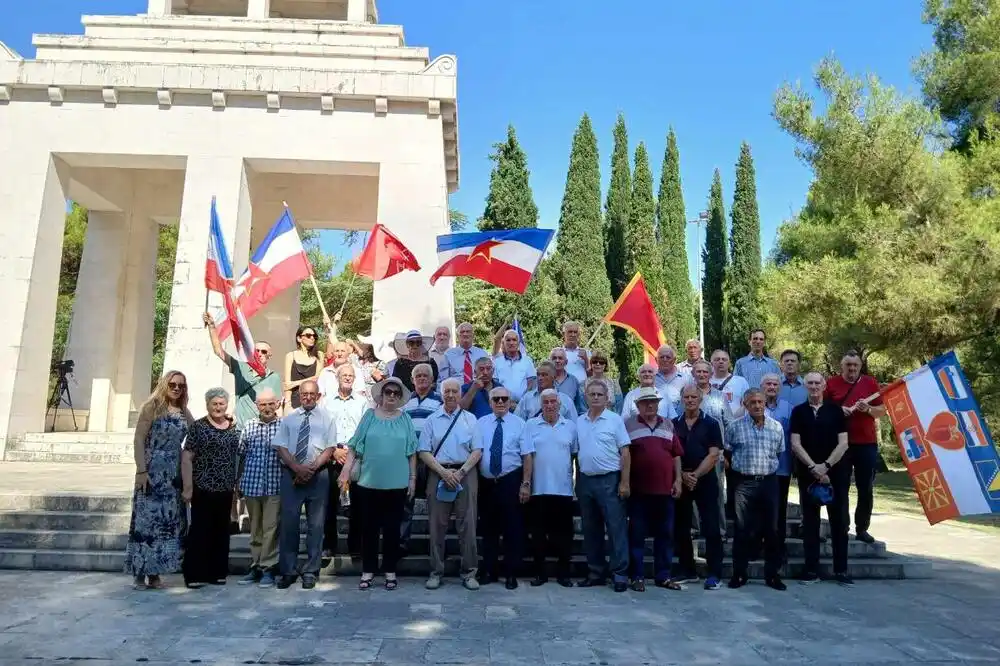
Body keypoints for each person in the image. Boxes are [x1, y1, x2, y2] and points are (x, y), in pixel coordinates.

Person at [339, 377, 419, 591]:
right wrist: (346, 471)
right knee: (369, 529)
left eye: (395, 393)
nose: (391, 395)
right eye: (388, 392)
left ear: (400, 397)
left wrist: (412, 478)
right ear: (381, 395)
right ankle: (368, 570)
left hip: (397, 482)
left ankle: (390, 570)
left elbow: (411, 451)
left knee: (393, 529)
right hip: (368, 482)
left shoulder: (405, 419)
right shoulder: (369, 416)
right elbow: (354, 445)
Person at [124, 371, 194, 590]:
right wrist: (141, 470)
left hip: (173, 475)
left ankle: (155, 573)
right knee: (146, 524)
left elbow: (196, 435)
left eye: (181, 386)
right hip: (152, 472)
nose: (176, 388)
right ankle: (139, 572)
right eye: (172, 384)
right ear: (165, 384)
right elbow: (138, 439)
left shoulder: (184, 411)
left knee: (166, 526)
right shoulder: (152, 407)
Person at [419, 378, 484, 590]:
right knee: (437, 526)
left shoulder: (471, 419)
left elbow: (477, 450)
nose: (450, 395)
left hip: (466, 473)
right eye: (446, 391)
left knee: (468, 525)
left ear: (460, 394)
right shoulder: (432, 419)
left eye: (455, 391)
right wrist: (443, 472)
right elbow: (424, 451)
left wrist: (462, 471)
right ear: (441, 393)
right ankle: (436, 572)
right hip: (438, 472)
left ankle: (469, 572)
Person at [272, 380, 336, 590]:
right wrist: (296, 468)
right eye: (304, 394)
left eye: (312, 394)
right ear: (299, 395)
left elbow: (330, 448)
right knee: (289, 524)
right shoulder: (289, 419)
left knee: (316, 526)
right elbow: (281, 446)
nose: (308, 397)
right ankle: (288, 570)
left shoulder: (327, 418)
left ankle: (310, 571)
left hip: (318, 475)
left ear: (318, 396)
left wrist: (311, 468)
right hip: (291, 475)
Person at [790, 372, 853, 585]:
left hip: (836, 474)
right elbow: (795, 444)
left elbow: (843, 443)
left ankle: (841, 570)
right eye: (810, 383)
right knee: (810, 523)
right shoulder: (798, 412)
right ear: (805, 386)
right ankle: (811, 570)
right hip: (809, 475)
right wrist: (813, 467)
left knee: (839, 522)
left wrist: (826, 466)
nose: (814, 387)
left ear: (824, 385)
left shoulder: (835, 411)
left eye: (818, 383)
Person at [725, 388, 787, 591]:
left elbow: (778, 452)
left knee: (772, 529)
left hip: (769, 482)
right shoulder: (734, 427)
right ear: (745, 405)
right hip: (744, 483)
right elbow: (727, 452)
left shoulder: (776, 427)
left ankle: (772, 575)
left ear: (765, 403)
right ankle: (739, 574)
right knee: (742, 529)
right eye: (752, 402)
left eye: (760, 402)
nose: (757, 406)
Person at [623, 387, 683, 592]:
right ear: (637, 405)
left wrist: (678, 481)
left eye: (653, 402)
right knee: (636, 535)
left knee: (665, 535)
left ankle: (663, 576)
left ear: (658, 404)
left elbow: (676, 455)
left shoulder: (668, 425)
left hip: (665, 491)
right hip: (638, 491)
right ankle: (636, 576)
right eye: (645, 402)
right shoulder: (628, 425)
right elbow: (623, 455)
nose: (650, 405)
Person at [181, 387, 240, 588]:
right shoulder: (198, 427)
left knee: (221, 532)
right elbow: (187, 457)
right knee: (200, 532)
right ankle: (195, 574)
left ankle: (217, 572)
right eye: (214, 404)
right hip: (202, 487)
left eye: (221, 404)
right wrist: (187, 487)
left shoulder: (233, 428)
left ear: (227, 405)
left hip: (224, 489)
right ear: (207, 405)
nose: (218, 407)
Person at [576, 378, 631, 592]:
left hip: (610, 479)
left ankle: (620, 574)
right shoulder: (580, 421)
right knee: (591, 529)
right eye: (592, 394)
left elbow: (625, 452)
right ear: (586, 397)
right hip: (586, 480)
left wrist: (625, 482)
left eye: (600, 394)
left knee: (616, 528)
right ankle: (596, 572)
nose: (596, 397)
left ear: (607, 398)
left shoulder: (614, 420)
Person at [824, 351, 885, 545]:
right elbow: (822, 409)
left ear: (860, 367)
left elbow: (882, 411)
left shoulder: (870, 383)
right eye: (848, 365)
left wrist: (868, 409)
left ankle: (862, 528)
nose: (852, 369)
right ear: (841, 367)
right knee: (840, 487)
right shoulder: (831, 383)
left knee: (865, 488)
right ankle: (842, 527)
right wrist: (837, 410)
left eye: (855, 365)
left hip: (866, 444)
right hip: (840, 444)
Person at [477, 386, 534, 589]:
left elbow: (527, 455)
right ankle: (489, 570)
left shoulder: (520, 424)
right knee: (488, 529)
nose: (500, 402)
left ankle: (511, 573)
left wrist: (525, 484)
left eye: (504, 399)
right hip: (486, 483)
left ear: (510, 402)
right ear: (490, 402)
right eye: (496, 399)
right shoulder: (481, 423)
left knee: (513, 529)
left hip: (510, 480)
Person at [672, 384, 724, 590]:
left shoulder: (711, 423)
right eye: (687, 397)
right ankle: (688, 570)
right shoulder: (674, 424)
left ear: (700, 399)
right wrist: (683, 475)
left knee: (711, 527)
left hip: (705, 479)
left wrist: (695, 475)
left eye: (694, 397)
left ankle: (714, 573)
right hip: (681, 479)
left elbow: (714, 454)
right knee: (682, 527)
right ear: (682, 399)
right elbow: (672, 452)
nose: (690, 400)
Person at [525, 389, 578, 587]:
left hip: (563, 490)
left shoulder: (570, 427)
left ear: (559, 404)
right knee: (538, 534)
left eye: (553, 401)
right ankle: (540, 573)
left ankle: (564, 574)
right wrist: (527, 483)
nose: (549, 405)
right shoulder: (531, 425)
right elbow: (527, 456)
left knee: (564, 535)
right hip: (538, 489)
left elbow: (574, 456)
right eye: (545, 402)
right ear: (541, 404)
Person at [319, 364, 369, 560]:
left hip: (355, 456)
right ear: (337, 378)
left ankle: (355, 546)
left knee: (358, 503)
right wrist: (334, 451)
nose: (347, 378)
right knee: (328, 503)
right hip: (333, 454)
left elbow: (366, 431)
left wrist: (352, 452)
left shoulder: (363, 402)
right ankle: (328, 545)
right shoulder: (326, 402)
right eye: (344, 375)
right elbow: (321, 431)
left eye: (351, 375)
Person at [236, 388, 283, 588]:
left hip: (275, 484)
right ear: (257, 406)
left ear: (278, 404)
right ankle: (256, 565)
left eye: (271, 403)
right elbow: (241, 453)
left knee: (271, 528)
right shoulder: (249, 425)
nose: (267, 408)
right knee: (255, 528)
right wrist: (237, 481)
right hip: (252, 484)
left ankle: (268, 568)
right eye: (263, 404)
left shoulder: (284, 425)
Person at [202, 311, 282, 425]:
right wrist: (212, 327)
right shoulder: (241, 367)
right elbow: (219, 352)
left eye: (263, 352)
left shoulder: (274, 377)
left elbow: (278, 405)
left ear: (270, 355)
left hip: (262, 427)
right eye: (256, 350)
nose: (259, 354)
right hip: (240, 427)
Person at [399, 363, 443, 555]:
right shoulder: (405, 402)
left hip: (431, 458)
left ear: (432, 380)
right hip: (409, 459)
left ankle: (437, 546)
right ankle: (401, 543)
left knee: (435, 504)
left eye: (426, 376)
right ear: (413, 380)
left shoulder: (440, 402)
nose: (422, 379)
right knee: (405, 502)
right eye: (419, 376)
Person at [691, 359, 731, 537]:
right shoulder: (687, 394)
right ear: (693, 374)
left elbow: (728, 424)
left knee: (716, 494)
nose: (701, 374)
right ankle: (694, 529)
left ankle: (719, 530)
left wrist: (727, 452)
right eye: (698, 371)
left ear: (710, 374)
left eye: (705, 372)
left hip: (716, 454)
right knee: (692, 491)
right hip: (693, 452)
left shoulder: (720, 396)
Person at [762, 373, 793, 562]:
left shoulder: (789, 409)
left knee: (779, 510)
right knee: (759, 509)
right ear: (762, 386)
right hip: (759, 468)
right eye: (768, 384)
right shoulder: (754, 406)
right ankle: (757, 546)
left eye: (775, 384)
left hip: (781, 467)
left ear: (779, 387)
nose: (772, 387)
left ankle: (778, 549)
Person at [492, 329, 536, 402]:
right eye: (508, 340)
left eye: (514, 340)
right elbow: (495, 384)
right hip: (502, 403)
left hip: (523, 403)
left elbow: (531, 383)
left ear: (518, 343)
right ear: (504, 343)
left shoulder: (527, 360)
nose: (511, 343)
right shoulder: (497, 362)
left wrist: (522, 401)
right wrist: (507, 401)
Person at [284, 326, 322, 409]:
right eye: (308, 335)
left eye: (314, 336)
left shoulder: (319, 355)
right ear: (299, 338)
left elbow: (316, 380)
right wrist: (287, 404)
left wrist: (294, 383)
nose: (312, 338)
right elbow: (287, 385)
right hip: (294, 401)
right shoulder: (290, 356)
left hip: (311, 400)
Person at [709, 349, 749, 417]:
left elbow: (746, 404)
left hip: (735, 423)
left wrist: (734, 419)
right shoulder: (706, 381)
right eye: (717, 359)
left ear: (729, 363)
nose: (721, 361)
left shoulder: (741, 381)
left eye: (724, 359)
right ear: (711, 363)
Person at [653, 345, 689, 415]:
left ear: (674, 360)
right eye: (661, 357)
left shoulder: (686, 379)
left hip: (680, 422)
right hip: (656, 422)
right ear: (656, 360)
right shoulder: (650, 379)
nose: (665, 360)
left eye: (668, 357)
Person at [560, 321, 590, 385]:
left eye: (575, 332)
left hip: (583, 389)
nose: (573, 335)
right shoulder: (557, 353)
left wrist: (586, 360)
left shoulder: (586, 352)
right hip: (565, 389)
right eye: (570, 332)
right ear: (563, 334)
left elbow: (592, 375)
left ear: (578, 335)